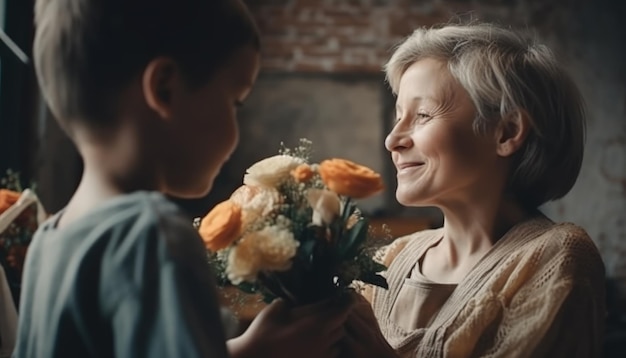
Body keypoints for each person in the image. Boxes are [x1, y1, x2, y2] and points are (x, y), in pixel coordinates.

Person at [14, 0, 350, 357]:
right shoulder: (152, 235)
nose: (236, 131)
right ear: (164, 89)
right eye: (235, 102)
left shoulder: (48, 241)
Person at [346, 22, 606, 357]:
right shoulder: (391, 258)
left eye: (422, 114)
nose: (393, 140)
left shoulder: (557, 256)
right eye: (399, 117)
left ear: (507, 133)